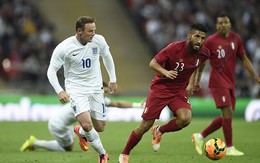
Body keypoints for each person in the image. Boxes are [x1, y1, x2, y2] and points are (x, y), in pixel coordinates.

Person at [118, 23, 210, 163]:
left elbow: (200, 63)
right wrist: (165, 72)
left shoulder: (204, 53)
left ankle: (160, 130)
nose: (199, 41)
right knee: (145, 126)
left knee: (185, 119)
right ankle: (125, 153)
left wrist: (195, 81)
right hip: (160, 89)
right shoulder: (174, 48)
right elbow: (152, 63)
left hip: (178, 91)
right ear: (189, 36)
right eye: (197, 36)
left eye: (203, 38)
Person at [46, 16, 117, 163]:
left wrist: (113, 79)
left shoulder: (99, 40)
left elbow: (107, 57)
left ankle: (81, 132)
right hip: (76, 89)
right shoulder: (64, 48)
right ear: (79, 31)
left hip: (96, 88)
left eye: (94, 30)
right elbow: (51, 71)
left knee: (100, 127)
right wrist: (60, 90)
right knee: (86, 123)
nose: (93, 34)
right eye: (90, 31)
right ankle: (103, 154)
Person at [191, 14, 260, 156]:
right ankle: (229, 147)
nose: (223, 25)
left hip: (230, 82)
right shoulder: (210, 41)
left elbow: (244, 58)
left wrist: (255, 75)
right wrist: (197, 80)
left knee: (226, 116)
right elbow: (203, 61)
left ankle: (199, 137)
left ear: (229, 24)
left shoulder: (236, 39)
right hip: (217, 82)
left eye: (225, 22)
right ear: (216, 26)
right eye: (220, 23)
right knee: (227, 112)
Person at [19, 82, 145, 152]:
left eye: (106, 92)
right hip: (58, 124)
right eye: (104, 91)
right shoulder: (89, 98)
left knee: (68, 147)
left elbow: (117, 103)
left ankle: (34, 142)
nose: (105, 94)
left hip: (64, 123)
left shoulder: (96, 98)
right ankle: (35, 143)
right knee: (67, 149)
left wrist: (138, 105)